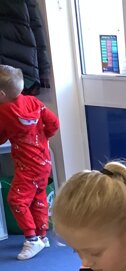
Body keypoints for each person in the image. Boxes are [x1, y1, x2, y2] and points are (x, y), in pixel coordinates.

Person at [0, 64, 59, 260]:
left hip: (27, 166)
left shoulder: (4, 111)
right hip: (43, 160)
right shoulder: (34, 102)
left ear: (2, 94)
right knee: (38, 197)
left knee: (16, 200)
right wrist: (44, 136)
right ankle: (42, 235)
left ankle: (32, 239)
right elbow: (54, 123)